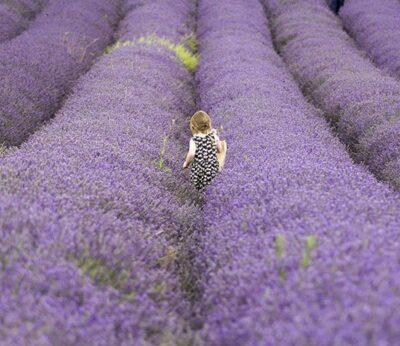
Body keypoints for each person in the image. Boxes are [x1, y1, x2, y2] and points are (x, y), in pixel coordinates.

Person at [182, 110, 227, 191]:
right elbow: (220, 150)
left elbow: (191, 154)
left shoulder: (194, 140)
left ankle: (198, 197)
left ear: (193, 127)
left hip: (199, 171)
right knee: (212, 187)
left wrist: (186, 163)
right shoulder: (214, 136)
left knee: (198, 188)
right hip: (213, 169)